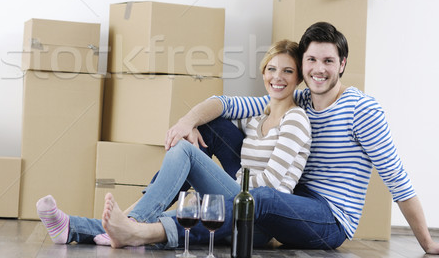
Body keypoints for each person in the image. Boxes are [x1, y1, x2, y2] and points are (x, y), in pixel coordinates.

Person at [152, 21, 438, 254]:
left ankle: (157, 231)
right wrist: (186, 122)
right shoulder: (299, 99)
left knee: (260, 197)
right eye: (311, 60)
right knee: (214, 127)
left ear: (342, 64)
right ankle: (140, 214)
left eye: (328, 61)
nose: (319, 69)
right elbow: (227, 104)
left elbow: (396, 178)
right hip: (290, 200)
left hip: (328, 219)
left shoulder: (361, 110)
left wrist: (427, 243)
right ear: (303, 65)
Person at [35, 39, 311, 248]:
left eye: (287, 71)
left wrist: (217, 192)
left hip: (258, 220)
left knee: (184, 152)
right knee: (193, 142)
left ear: (298, 78)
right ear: (263, 73)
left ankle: (132, 220)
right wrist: (188, 125)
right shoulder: (255, 117)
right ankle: (70, 227)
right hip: (234, 200)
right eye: (272, 69)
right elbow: (221, 106)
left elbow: (270, 189)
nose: (278, 77)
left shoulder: (295, 119)